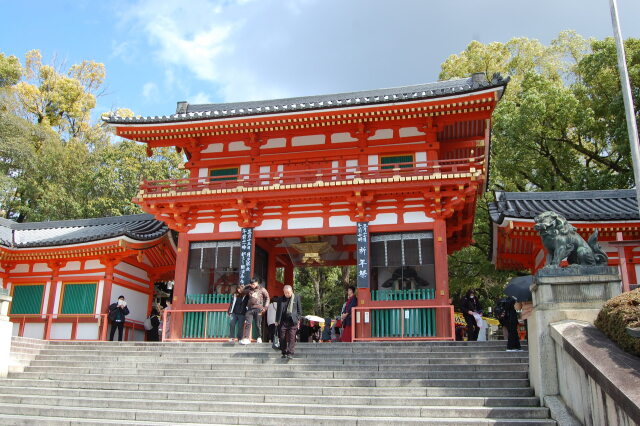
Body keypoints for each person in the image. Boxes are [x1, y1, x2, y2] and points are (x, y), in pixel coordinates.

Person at [240, 277, 270, 345]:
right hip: (250, 308)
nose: (252, 285)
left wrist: (265, 307)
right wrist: (248, 285)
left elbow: (267, 298)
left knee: (257, 324)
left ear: (257, 283)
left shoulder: (262, 289)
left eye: (253, 284)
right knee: (248, 323)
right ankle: (246, 338)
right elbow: (241, 291)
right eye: (251, 284)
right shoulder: (249, 289)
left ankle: (259, 337)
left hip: (259, 308)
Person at [275, 284, 302, 359]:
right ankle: (284, 352)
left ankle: (290, 353)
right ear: (283, 292)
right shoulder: (280, 299)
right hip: (283, 321)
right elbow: (278, 311)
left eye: (288, 292)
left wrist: (297, 318)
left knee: (291, 337)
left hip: (293, 321)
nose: (287, 294)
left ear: (291, 291)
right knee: (282, 337)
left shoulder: (296, 297)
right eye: (285, 292)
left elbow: (299, 310)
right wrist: (277, 320)